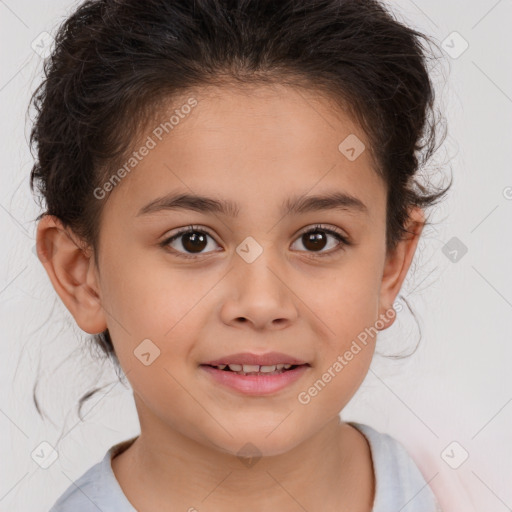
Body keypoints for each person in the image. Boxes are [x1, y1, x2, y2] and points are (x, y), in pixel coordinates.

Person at [29, 0, 450, 510]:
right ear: (82, 276)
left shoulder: (469, 485)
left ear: (390, 265)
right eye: (192, 240)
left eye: (318, 239)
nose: (261, 302)